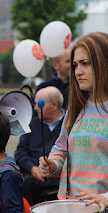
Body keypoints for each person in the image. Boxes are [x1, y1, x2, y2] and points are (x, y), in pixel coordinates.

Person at [39, 32, 108, 200]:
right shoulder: (75, 109)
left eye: (85, 64)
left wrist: (105, 198)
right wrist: (52, 165)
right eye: (75, 65)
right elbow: (61, 148)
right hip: (69, 205)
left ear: (104, 64)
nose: (78, 72)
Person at [14, 86, 64, 205]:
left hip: (60, 179)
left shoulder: (69, 124)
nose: (35, 108)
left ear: (54, 105)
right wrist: (32, 168)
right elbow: (20, 152)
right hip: (33, 180)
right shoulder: (33, 124)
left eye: (39, 104)